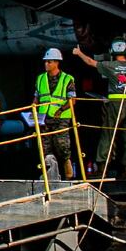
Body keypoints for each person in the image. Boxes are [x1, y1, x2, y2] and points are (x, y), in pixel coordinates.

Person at [73, 39, 126, 181]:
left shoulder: (109, 65)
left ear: (112, 51)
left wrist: (79, 53)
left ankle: (102, 170)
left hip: (114, 105)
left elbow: (90, 62)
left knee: (108, 135)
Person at [32, 47, 76, 179]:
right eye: (45, 61)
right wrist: (33, 107)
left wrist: (61, 110)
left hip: (61, 118)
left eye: (49, 62)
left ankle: (68, 173)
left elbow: (72, 100)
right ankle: (49, 174)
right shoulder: (40, 78)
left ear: (57, 62)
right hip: (44, 118)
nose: (46, 64)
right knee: (45, 147)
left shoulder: (67, 79)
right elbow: (37, 97)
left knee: (62, 146)